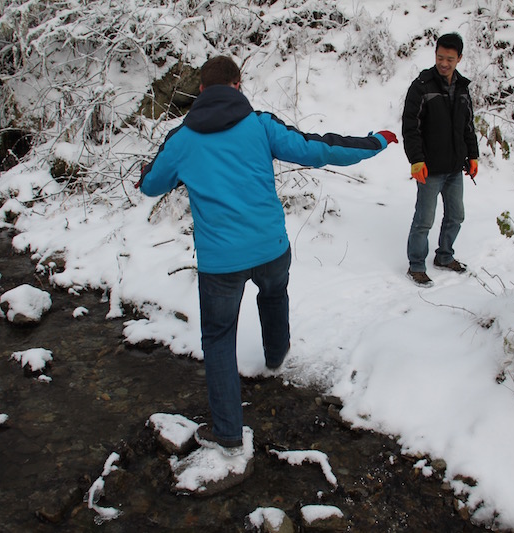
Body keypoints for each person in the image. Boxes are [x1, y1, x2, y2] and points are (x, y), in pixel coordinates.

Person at [136, 56, 396, 456]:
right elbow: (319, 149)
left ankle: (227, 432)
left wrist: (148, 171)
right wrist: (373, 142)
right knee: (274, 295)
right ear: (238, 85)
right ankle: (276, 357)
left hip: (220, 263)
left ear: (201, 90)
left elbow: (152, 186)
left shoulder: (182, 139)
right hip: (271, 248)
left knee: (220, 338)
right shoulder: (259, 124)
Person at [402, 32, 479, 287]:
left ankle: (445, 257)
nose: (444, 63)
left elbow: (468, 125)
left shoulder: (463, 88)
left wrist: (473, 155)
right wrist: (416, 160)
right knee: (424, 219)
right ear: (435, 55)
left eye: (449, 58)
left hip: (455, 168)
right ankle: (416, 265)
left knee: (456, 215)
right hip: (430, 168)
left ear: (459, 58)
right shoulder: (422, 86)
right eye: (439, 57)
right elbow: (410, 127)